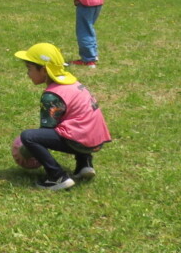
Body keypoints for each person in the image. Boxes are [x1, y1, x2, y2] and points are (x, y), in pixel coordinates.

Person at [14, 42, 111, 191]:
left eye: (30, 68)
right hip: (96, 138)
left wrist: (27, 151)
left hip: (81, 141)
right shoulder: (73, 83)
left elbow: (46, 132)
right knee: (76, 123)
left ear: (44, 70)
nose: (28, 73)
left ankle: (57, 177)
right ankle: (84, 165)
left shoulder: (51, 96)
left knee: (29, 137)